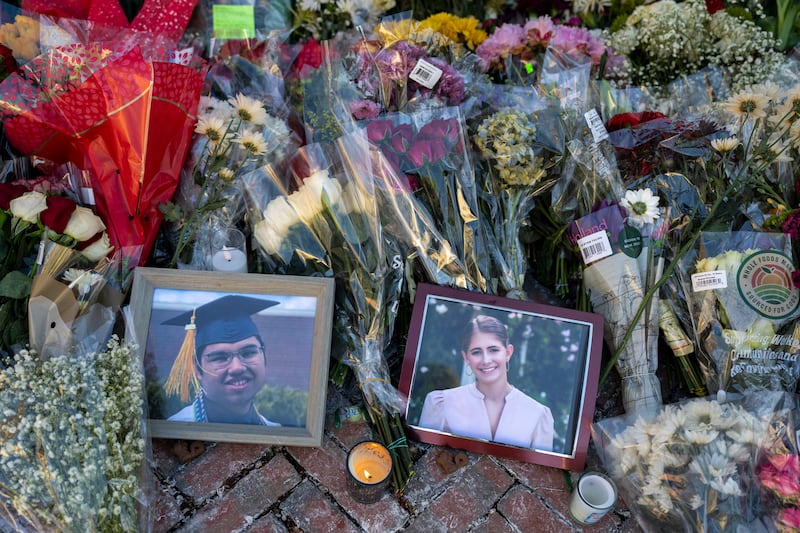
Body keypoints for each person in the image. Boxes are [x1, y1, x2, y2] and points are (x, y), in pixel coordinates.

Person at [418, 314, 554, 451]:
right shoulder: (441, 404)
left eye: (493, 350)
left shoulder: (537, 414)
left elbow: (542, 471)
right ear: (466, 357)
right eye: (476, 352)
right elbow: (423, 456)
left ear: (508, 352)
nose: (486, 360)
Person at [162, 294, 281, 425]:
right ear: (197, 368)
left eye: (248, 353)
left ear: (264, 356)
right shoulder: (177, 430)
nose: (237, 368)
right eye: (220, 357)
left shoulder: (274, 432)